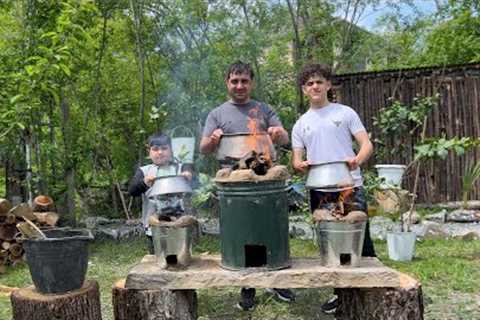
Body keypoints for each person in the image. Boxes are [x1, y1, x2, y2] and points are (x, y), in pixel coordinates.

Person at [200, 61, 292, 311]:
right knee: (245, 231)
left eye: (244, 81)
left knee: (268, 226)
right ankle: (248, 286)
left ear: (251, 83)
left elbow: (284, 138)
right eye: (234, 81)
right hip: (233, 177)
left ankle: (277, 281)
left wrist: (276, 132)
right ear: (227, 83)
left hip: (263, 172)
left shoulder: (264, 109)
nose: (239, 86)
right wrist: (213, 138)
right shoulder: (216, 114)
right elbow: (204, 148)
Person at [291, 63, 376, 314]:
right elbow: (296, 160)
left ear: (328, 85)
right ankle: (341, 295)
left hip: (348, 185)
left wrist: (357, 160)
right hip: (319, 188)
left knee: (360, 240)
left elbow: (366, 145)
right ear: (304, 90)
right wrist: (300, 164)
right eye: (309, 83)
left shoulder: (345, 113)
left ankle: (370, 293)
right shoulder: (301, 124)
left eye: (319, 81)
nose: (315, 86)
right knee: (330, 244)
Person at [129, 132, 192, 254]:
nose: (160, 152)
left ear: (171, 150)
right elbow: (132, 191)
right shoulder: (145, 171)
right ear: (149, 151)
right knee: (158, 257)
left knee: (179, 256)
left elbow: (196, 184)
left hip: (179, 224)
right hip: (154, 227)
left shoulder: (180, 168)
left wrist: (189, 177)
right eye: (155, 149)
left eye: (164, 148)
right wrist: (145, 182)